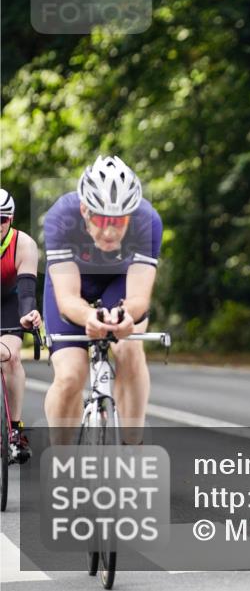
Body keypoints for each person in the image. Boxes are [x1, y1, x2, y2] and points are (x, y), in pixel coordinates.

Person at [43, 156, 162, 444]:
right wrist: (88, 318)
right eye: (101, 220)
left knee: (129, 351)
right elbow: (68, 298)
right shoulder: (60, 217)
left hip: (118, 283)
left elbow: (138, 297)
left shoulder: (148, 220)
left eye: (119, 222)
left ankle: (132, 447)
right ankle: (62, 459)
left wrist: (126, 317)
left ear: (130, 216)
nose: (109, 232)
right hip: (76, 285)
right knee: (71, 375)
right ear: (85, 210)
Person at [0, 188, 42, 462]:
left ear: (11, 219)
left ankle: (15, 431)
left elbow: (27, 294)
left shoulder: (24, 244)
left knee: (11, 358)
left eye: (1, 219)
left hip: (9, 306)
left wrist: (29, 315)